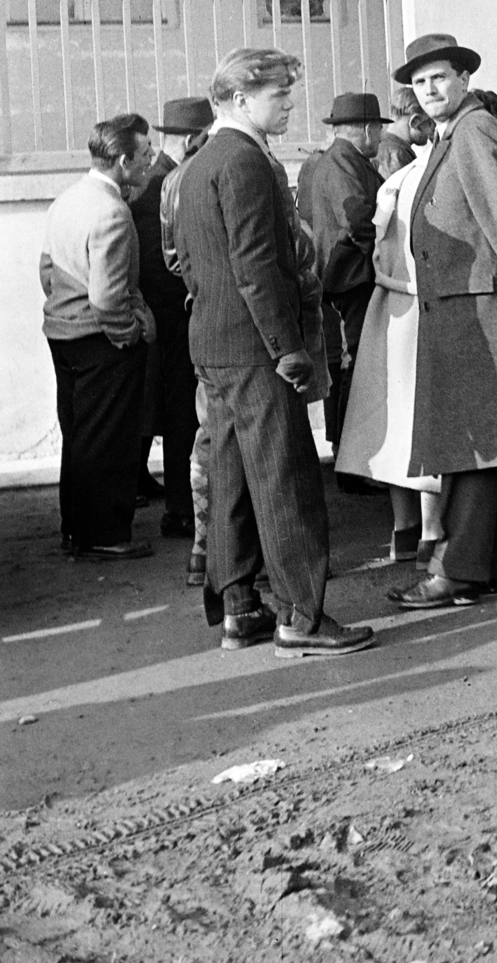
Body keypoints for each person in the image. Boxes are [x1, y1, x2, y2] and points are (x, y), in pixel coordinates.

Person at [175, 48, 375, 657]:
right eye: (279, 95)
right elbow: (257, 267)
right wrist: (288, 350)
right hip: (256, 347)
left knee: (233, 475)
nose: (289, 104)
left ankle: (240, 608)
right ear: (240, 99)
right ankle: (302, 618)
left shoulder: (201, 162)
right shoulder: (244, 163)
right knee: (285, 478)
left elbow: (194, 261)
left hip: (215, 342)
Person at [387, 33, 497, 609]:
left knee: (476, 448)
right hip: (467, 307)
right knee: (492, 442)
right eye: (419, 83)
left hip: (478, 311)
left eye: (439, 77)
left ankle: (458, 573)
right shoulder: (456, 132)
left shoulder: (474, 130)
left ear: (463, 80)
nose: (429, 89)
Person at [40, 112, 157, 561]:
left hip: (64, 333)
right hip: (100, 339)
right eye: (144, 155)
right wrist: (128, 334)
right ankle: (105, 534)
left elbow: (48, 270)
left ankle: (78, 530)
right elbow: (108, 297)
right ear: (123, 161)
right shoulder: (111, 210)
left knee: (81, 435)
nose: (149, 163)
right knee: (108, 438)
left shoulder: (66, 199)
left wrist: (65, 309)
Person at [335, 146, 444, 563]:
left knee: (395, 426)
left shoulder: (393, 184)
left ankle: (404, 530)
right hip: (422, 308)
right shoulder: (431, 179)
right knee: (425, 423)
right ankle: (432, 532)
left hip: (387, 306)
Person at [130, 96, 212, 538]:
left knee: (179, 412)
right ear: (194, 138)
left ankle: (181, 503)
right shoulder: (160, 185)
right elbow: (156, 266)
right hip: (174, 316)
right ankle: (182, 509)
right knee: (183, 413)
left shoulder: (162, 178)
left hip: (172, 314)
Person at [296, 92, 386, 459]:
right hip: (351, 279)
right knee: (359, 364)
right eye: (378, 130)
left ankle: (348, 451)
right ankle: (353, 457)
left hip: (342, 277)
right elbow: (359, 221)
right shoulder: (343, 162)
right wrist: (383, 252)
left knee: (351, 363)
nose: (379, 138)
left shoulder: (335, 160)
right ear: (366, 129)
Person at [377, 86, 433, 179]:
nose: (432, 130)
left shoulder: (382, 145)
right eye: (430, 123)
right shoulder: (397, 154)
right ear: (415, 121)